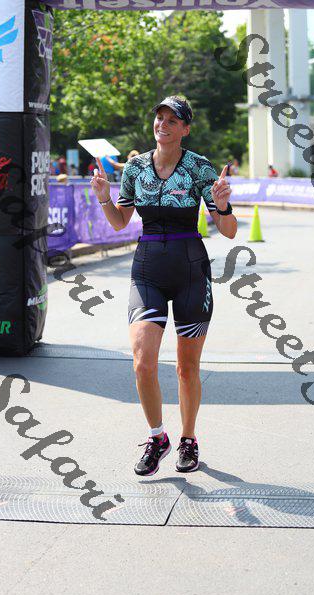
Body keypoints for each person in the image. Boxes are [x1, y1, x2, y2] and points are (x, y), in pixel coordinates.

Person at [90, 95, 237, 476]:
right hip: (148, 270)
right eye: (160, 118)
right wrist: (105, 199)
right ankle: (158, 437)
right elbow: (120, 222)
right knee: (143, 363)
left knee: (187, 368)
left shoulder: (199, 168)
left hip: (190, 271)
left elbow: (229, 230)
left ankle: (188, 439)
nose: (163, 125)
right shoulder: (135, 168)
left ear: (185, 129)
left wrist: (222, 205)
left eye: (173, 120)